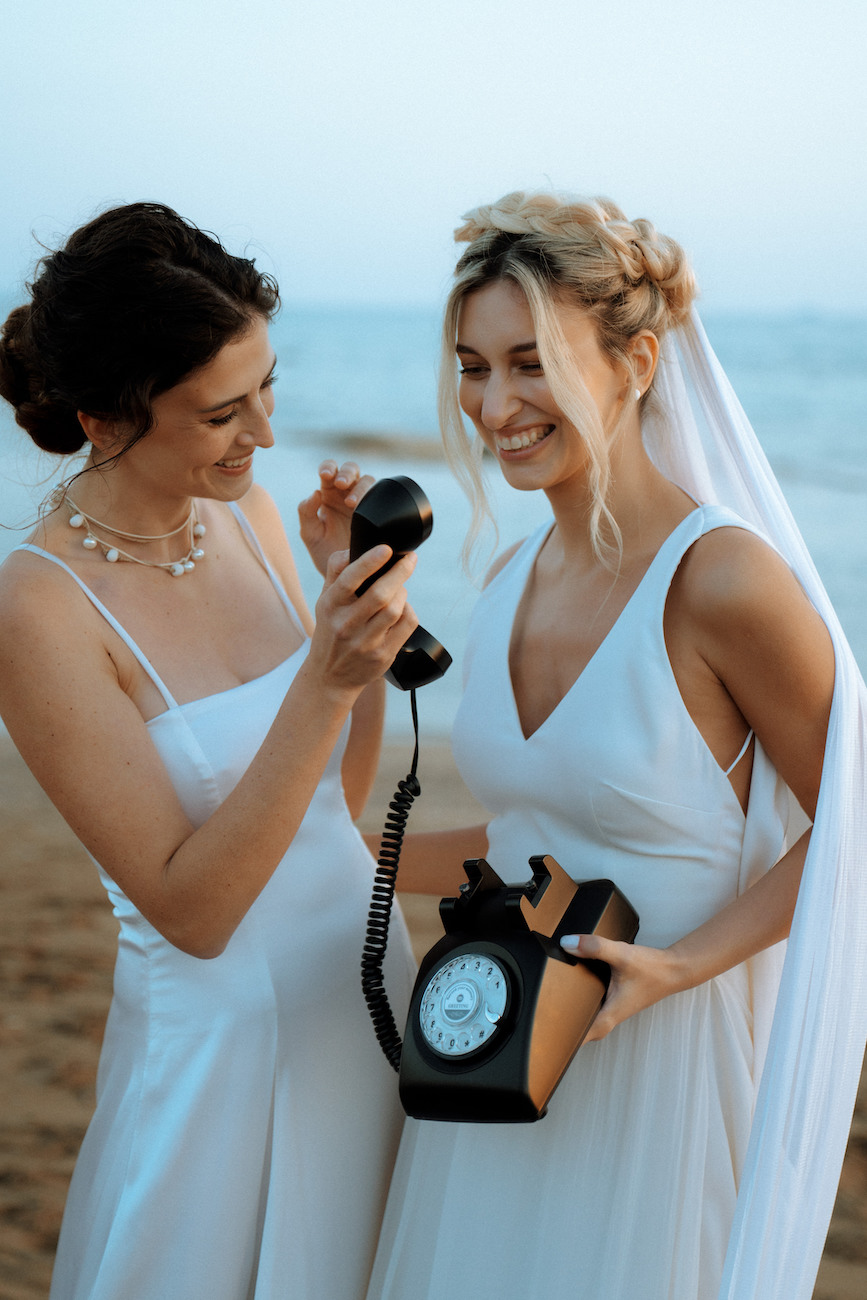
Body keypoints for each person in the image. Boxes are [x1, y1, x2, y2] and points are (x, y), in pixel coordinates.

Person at [366, 192, 867, 1299]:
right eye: (473, 366)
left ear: (637, 360)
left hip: (663, 1072)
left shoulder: (721, 578)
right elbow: (527, 830)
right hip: (498, 1064)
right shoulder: (503, 582)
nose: (495, 405)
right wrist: (343, 864)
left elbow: (858, 817)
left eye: (531, 361)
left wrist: (683, 965)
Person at [0, 202, 418, 1300]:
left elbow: (337, 799)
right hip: (228, 1060)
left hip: (364, 995)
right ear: (105, 418)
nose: (266, 435)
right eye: (224, 412)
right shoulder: (42, 613)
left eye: (269, 387)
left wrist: (345, 614)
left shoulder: (249, 516)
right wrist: (320, 678)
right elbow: (192, 910)